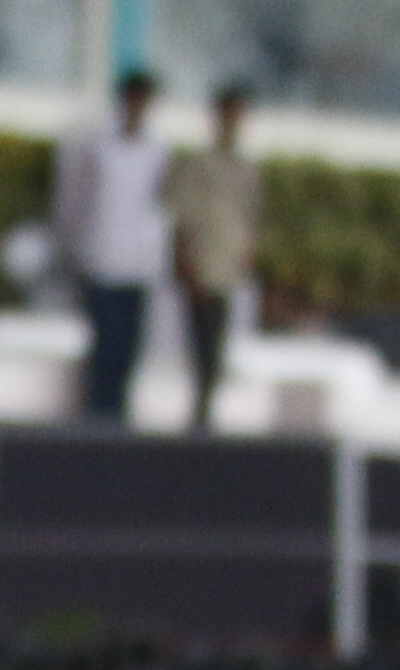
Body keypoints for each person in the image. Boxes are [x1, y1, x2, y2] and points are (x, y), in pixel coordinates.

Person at [59, 70, 169, 430]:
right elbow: (78, 201)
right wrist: (77, 249)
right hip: (102, 258)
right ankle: (98, 413)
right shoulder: (99, 147)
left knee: (129, 347)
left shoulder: (157, 150)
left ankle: (120, 415)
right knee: (104, 342)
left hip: (139, 265)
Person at [169, 82, 259, 433]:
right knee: (201, 340)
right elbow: (183, 219)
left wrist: (246, 256)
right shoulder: (198, 164)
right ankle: (199, 409)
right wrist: (186, 261)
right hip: (202, 263)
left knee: (217, 342)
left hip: (227, 266)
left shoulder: (246, 167)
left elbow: (249, 218)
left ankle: (207, 407)